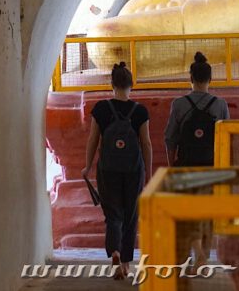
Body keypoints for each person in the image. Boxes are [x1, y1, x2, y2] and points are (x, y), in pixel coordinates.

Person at [82, 62, 152, 280]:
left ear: (111, 84)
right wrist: (148, 174)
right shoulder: (140, 111)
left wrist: (87, 165)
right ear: (132, 84)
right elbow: (146, 144)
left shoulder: (101, 109)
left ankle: (114, 251)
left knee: (113, 214)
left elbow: (93, 139)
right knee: (130, 215)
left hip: (108, 169)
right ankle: (126, 263)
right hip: (133, 170)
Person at [163, 52, 230, 269]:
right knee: (208, 213)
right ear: (210, 79)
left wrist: (173, 165)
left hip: (186, 165)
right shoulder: (220, 105)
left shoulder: (179, 104)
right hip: (212, 166)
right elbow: (229, 138)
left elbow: (170, 138)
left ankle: (197, 251)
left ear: (190, 79)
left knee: (188, 211)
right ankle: (205, 255)